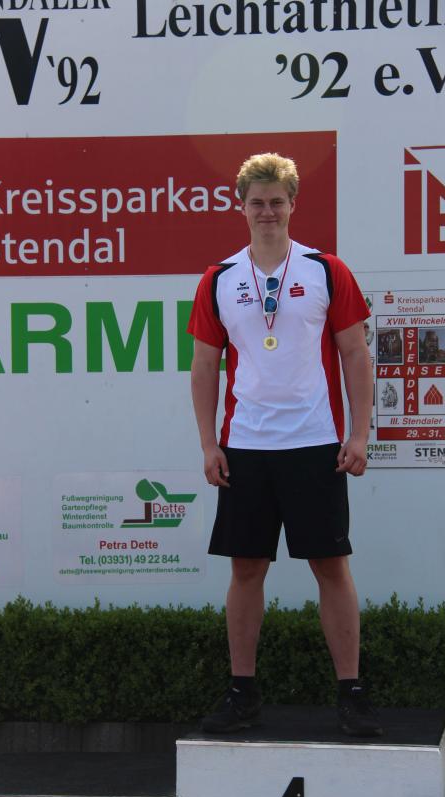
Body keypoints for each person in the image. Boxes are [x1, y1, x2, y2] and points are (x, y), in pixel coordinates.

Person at [187, 152, 381, 737]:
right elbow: (205, 366)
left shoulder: (326, 270)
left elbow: (355, 353)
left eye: (277, 201)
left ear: (293, 205)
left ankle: (351, 693)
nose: (267, 211)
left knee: (331, 566)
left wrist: (359, 434)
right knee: (246, 568)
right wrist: (209, 444)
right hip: (245, 446)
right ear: (242, 208)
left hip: (316, 442)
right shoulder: (219, 279)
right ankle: (241, 693)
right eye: (257, 202)